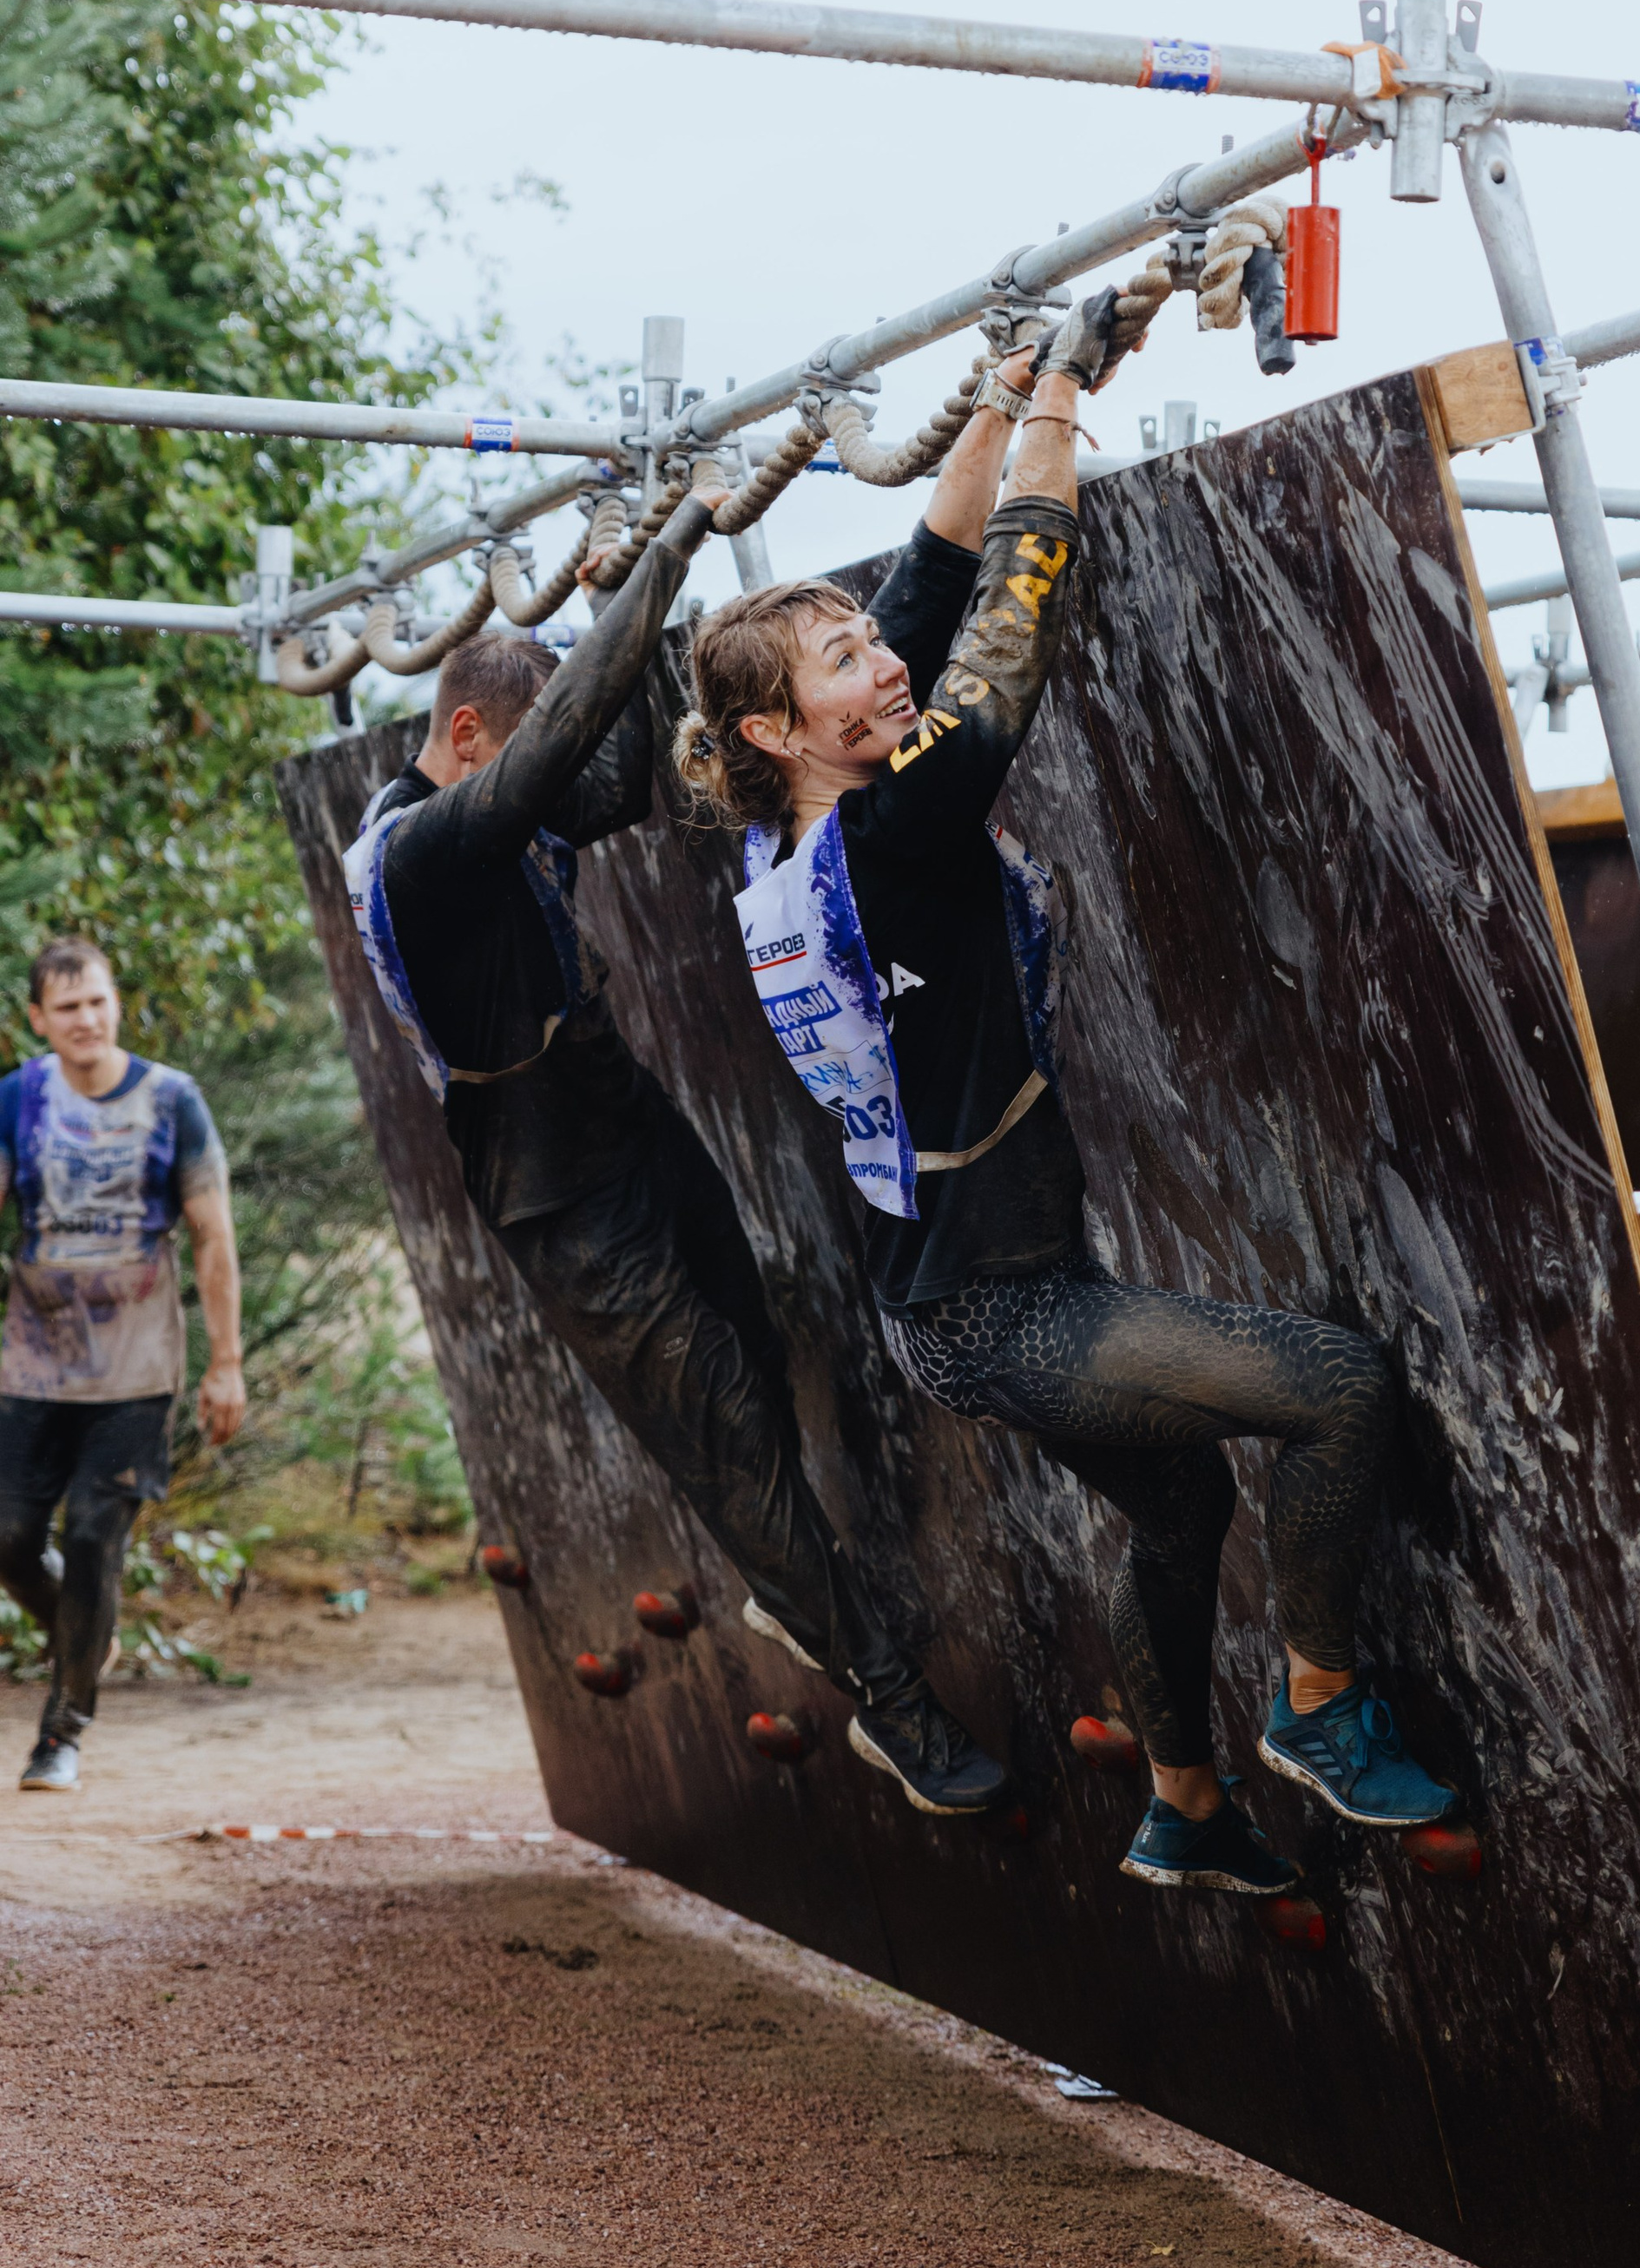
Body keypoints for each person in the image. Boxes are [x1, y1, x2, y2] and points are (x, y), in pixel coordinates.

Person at [677, 305, 1459, 1897]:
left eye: (866, 651)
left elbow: (936, 581)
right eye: (846, 669)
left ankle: (1183, 1807)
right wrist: (1053, 417)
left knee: (1176, 1511)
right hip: (1000, 1310)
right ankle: (1317, 1707)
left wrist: (1006, 392)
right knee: (1341, 1387)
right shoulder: (893, 831)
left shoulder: (787, 843)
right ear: (775, 731)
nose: (882, 670)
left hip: (969, 1291)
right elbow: (1012, 613)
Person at [342, 476, 1007, 1816]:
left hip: (613, 1106)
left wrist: (630, 625)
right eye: (521, 757)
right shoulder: (417, 852)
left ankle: (786, 1582)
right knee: (728, 1442)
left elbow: (616, 787)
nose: (543, 785)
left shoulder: (493, 790)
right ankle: (897, 1707)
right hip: (548, 1183)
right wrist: (665, 555)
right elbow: (554, 762)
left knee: (752, 1344)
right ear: (466, 736)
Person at [0, 936, 245, 1792]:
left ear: (117, 1002)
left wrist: (227, 1363)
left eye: (98, 1001)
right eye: (67, 1008)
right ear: (38, 1018)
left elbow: (213, 1236)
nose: (87, 1020)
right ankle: (83, 1626)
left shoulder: (173, 1100)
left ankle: (60, 1735)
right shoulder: (17, 1100)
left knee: (96, 1537)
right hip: (32, 1363)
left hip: (138, 1367)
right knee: (9, 1538)